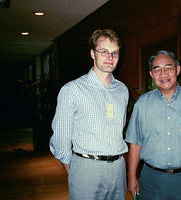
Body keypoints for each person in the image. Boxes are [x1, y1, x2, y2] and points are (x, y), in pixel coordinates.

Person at [49, 29, 129, 200]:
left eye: (115, 53)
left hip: (118, 168)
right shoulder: (72, 90)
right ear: (93, 54)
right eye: (104, 52)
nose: (110, 57)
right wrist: (68, 164)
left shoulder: (122, 90)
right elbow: (61, 134)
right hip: (87, 168)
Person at [125, 50, 181, 200]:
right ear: (151, 75)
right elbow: (135, 143)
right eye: (157, 69)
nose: (163, 73)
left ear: (177, 70)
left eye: (168, 68)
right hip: (151, 180)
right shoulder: (142, 104)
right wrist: (132, 175)